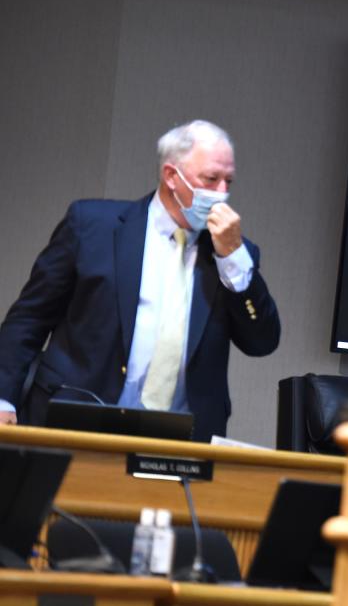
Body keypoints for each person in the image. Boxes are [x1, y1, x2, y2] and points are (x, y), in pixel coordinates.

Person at [0, 120, 281, 442]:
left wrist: (232, 258)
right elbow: (30, 318)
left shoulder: (234, 255)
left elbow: (262, 342)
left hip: (176, 440)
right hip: (74, 419)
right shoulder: (91, 226)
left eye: (228, 181)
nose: (221, 194)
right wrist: (3, 398)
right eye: (210, 179)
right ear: (172, 176)